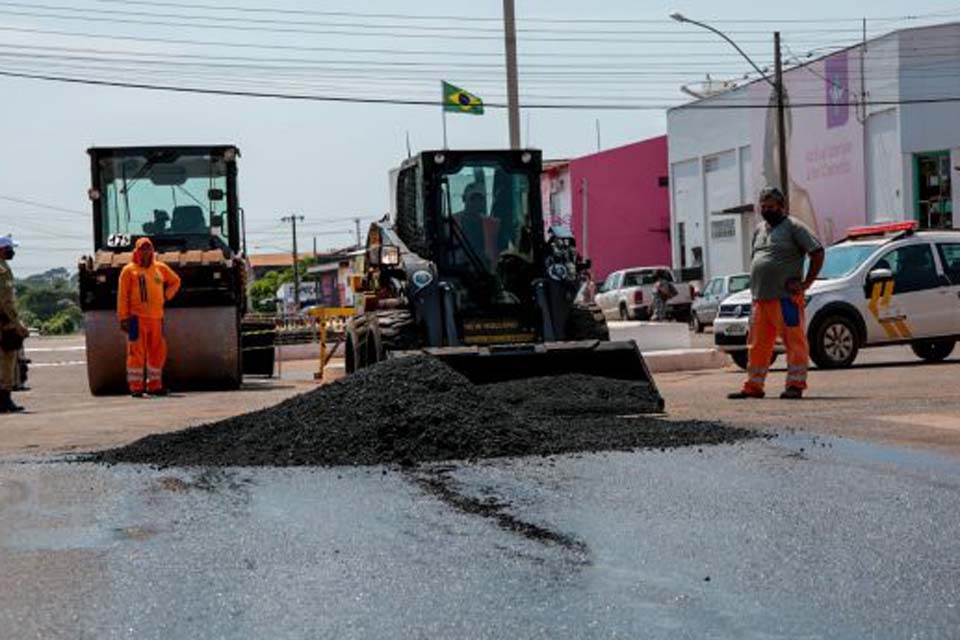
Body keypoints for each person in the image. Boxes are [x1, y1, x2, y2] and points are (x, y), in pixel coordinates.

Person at [729, 187, 824, 400]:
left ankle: (795, 385)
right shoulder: (760, 230)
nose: (766, 210)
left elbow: (817, 252)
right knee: (757, 346)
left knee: (794, 343)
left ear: (782, 207)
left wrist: (806, 283)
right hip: (760, 300)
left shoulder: (794, 227)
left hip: (786, 300)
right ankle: (753, 386)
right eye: (763, 207)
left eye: (771, 207)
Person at [117, 237, 181, 397]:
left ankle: (155, 386)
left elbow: (175, 281)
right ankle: (136, 387)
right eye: (142, 249)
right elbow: (123, 296)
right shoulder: (128, 271)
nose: (146, 252)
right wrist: (123, 318)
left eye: (148, 248)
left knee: (157, 352)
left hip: (156, 319)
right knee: (135, 353)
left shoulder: (160, 268)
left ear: (152, 251)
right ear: (136, 251)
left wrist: (166, 295)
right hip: (134, 320)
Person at [0, 235, 29, 413]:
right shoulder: (3, 270)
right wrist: (18, 325)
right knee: (7, 360)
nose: (13, 252)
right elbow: (6, 302)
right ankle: (4, 399)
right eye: (10, 248)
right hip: (4, 323)